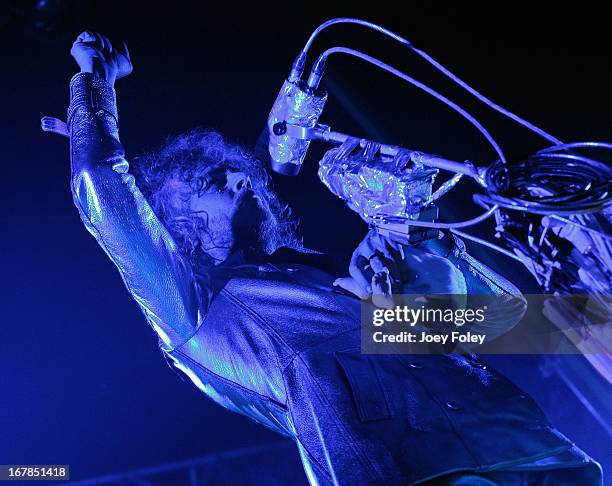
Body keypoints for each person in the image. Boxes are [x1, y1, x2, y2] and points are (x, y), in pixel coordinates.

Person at [63, 31, 602, 485]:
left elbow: (493, 323)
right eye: (208, 179)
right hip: (422, 473)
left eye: (231, 169)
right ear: (172, 225)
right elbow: (103, 190)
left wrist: (422, 239)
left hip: (535, 445)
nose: (236, 175)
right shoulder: (195, 307)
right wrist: (95, 84)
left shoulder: (332, 282)